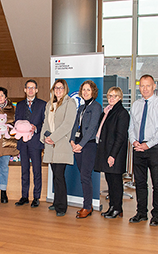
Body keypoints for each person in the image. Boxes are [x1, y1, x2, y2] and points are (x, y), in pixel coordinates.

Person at [128, 74, 158, 226]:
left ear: (154, 87)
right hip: (138, 148)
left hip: (155, 148)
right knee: (139, 183)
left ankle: (156, 214)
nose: (145, 89)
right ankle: (141, 213)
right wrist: (134, 141)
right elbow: (131, 127)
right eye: (142, 86)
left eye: (148, 85)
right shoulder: (136, 105)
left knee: (157, 184)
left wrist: (148, 144)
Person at [41, 79, 77, 217]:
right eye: (56, 88)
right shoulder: (49, 104)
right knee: (55, 175)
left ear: (65, 89)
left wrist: (53, 137)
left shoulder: (70, 103)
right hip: (50, 146)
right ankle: (56, 202)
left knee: (59, 176)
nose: (58, 90)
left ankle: (62, 207)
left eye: (61, 88)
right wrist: (45, 137)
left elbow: (68, 124)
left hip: (61, 144)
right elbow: (45, 123)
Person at [94, 87, 130, 219]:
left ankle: (117, 208)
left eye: (115, 96)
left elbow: (120, 137)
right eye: (109, 96)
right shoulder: (107, 112)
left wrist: (112, 155)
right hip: (105, 151)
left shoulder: (122, 113)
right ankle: (112, 207)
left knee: (116, 182)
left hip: (115, 154)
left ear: (120, 97)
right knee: (110, 181)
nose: (112, 98)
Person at [70, 81, 102, 219]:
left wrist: (80, 145)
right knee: (84, 177)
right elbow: (75, 125)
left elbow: (92, 129)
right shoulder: (81, 107)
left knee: (85, 176)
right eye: (83, 90)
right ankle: (88, 205)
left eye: (88, 90)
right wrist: (72, 140)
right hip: (77, 144)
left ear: (93, 91)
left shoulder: (96, 107)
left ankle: (87, 206)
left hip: (88, 145)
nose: (85, 92)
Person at [14, 79, 46, 208]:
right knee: (24, 170)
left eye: (33, 88)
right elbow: (16, 121)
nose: (31, 90)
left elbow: (45, 123)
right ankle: (24, 196)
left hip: (36, 142)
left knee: (37, 170)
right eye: (28, 88)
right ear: (25, 90)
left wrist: (36, 127)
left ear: (37, 90)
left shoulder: (43, 104)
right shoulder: (20, 105)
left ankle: (36, 197)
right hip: (23, 142)